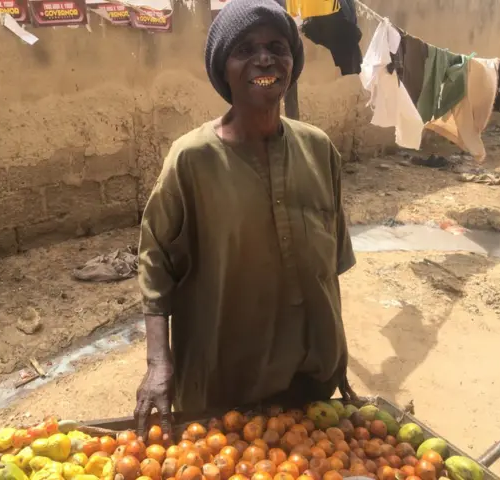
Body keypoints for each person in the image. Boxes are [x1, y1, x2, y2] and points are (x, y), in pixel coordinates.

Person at [134, 0, 357, 440]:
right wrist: (159, 363)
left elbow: (328, 268)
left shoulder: (318, 149)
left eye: (277, 46)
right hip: (224, 387)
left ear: (293, 61)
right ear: (223, 67)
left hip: (309, 381)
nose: (264, 58)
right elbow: (154, 264)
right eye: (246, 48)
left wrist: (340, 356)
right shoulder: (191, 160)